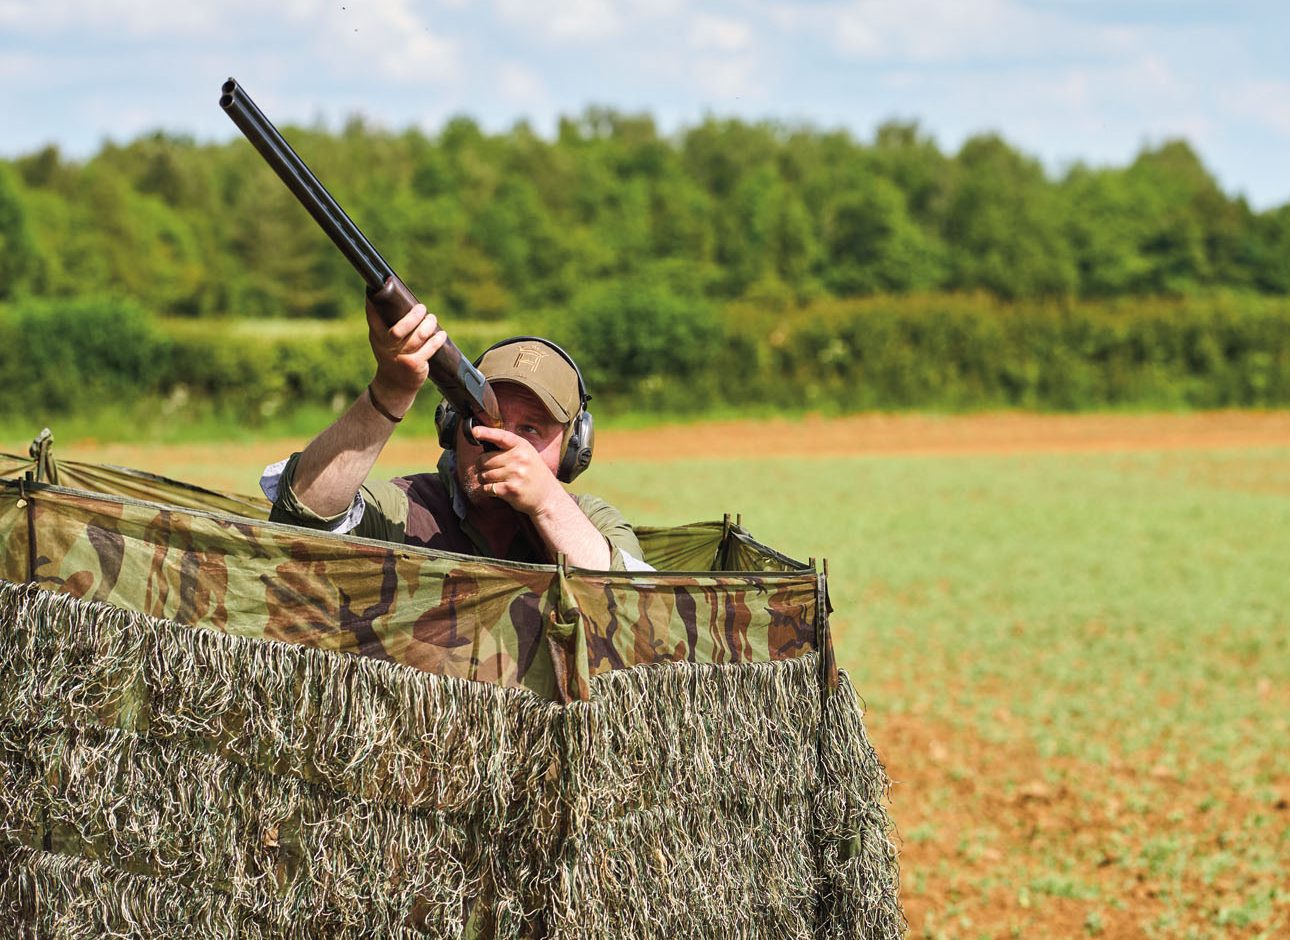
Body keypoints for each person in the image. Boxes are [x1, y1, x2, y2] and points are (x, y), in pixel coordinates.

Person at [261, 301, 648, 571]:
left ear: (573, 450)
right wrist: (390, 389)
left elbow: (639, 608)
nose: (501, 440)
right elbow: (302, 523)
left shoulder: (590, 522)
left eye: (530, 428)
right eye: (486, 416)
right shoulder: (404, 511)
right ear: (451, 422)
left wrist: (547, 503)